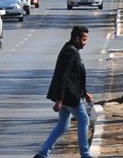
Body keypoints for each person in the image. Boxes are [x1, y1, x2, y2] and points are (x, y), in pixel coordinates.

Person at [34, 26, 94, 158]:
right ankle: (85, 154)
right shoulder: (70, 52)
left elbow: (75, 77)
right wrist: (59, 100)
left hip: (68, 94)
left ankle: (43, 153)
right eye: (84, 39)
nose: (86, 42)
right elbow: (64, 77)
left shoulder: (71, 49)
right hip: (69, 96)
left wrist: (84, 93)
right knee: (84, 120)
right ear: (76, 38)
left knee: (63, 125)